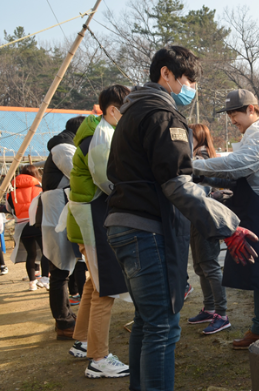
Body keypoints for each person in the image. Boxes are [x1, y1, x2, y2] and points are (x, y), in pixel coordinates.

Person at [105, 45, 256, 391]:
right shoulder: (162, 114)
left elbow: (153, 175)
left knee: (147, 321)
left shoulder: (132, 113)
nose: (192, 88)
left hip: (123, 224)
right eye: (188, 79)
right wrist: (228, 226)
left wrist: (207, 195)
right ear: (166, 74)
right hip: (146, 229)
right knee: (163, 327)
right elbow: (175, 182)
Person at [193, 89, 259, 348]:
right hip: (255, 209)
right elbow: (238, 175)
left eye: (235, 114)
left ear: (252, 109)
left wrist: (197, 165)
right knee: (257, 273)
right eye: (229, 115)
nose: (232, 120)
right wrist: (203, 177)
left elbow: (242, 165)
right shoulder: (253, 134)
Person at [65, 85, 131, 378]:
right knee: (107, 288)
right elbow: (108, 182)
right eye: (126, 110)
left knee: (94, 282)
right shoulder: (101, 136)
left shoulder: (96, 131)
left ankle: (81, 340)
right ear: (113, 110)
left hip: (86, 216)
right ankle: (98, 358)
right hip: (93, 216)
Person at [187, 123, 235, 334]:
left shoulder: (200, 159)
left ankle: (221, 314)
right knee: (200, 265)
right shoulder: (199, 158)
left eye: (189, 135)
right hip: (197, 220)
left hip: (204, 219)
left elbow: (200, 192)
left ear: (198, 137)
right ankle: (209, 308)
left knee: (209, 265)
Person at [41, 115, 85, 339]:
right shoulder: (63, 148)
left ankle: (66, 316)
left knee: (64, 268)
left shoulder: (63, 146)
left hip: (60, 210)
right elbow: (78, 175)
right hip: (57, 211)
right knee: (59, 269)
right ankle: (63, 322)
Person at [3, 165, 49, 290]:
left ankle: (32, 283)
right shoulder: (40, 188)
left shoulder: (12, 193)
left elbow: (8, 209)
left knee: (31, 254)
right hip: (38, 224)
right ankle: (45, 278)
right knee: (46, 252)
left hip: (22, 227)